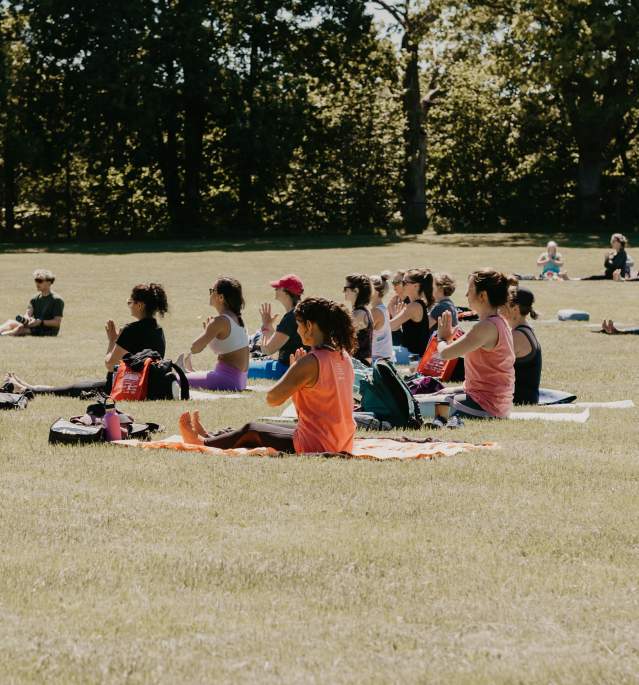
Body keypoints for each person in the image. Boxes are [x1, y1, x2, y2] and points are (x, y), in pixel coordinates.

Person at [178, 297, 356, 454]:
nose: (298, 330)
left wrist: (294, 372)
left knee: (252, 429)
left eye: (299, 325)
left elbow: (272, 399)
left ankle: (201, 443)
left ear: (309, 326)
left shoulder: (310, 362)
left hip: (319, 444)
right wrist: (299, 375)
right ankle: (212, 436)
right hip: (341, 440)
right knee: (272, 428)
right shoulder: (343, 356)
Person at [5, 283, 168, 397]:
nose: (129, 305)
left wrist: (112, 340)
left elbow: (111, 365)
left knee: (71, 389)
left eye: (130, 302)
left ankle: (25, 388)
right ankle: (27, 386)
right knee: (77, 386)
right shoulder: (158, 330)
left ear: (140, 305)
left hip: (120, 387)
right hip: (145, 387)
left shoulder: (131, 329)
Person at [436, 269, 516, 424]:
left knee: (413, 405)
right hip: (489, 401)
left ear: (483, 295)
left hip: (485, 406)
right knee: (437, 393)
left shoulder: (485, 327)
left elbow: (445, 354)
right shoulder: (498, 322)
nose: (466, 295)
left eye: (470, 290)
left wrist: (442, 337)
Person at [178, 276, 249, 391]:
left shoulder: (220, 321)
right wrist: (210, 334)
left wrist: (207, 332)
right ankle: (187, 372)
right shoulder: (236, 318)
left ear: (221, 297)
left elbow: (194, 348)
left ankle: (184, 372)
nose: (210, 294)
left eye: (212, 291)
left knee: (174, 379)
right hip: (238, 381)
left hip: (226, 381)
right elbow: (226, 348)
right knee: (186, 376)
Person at [249, 274, 305, 379]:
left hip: (286, 369)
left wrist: (265, 326)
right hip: (299, 367)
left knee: (242, 368)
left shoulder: (291, 317)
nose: (275, 289)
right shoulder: (301, 311)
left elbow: (268, 350)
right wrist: (269, 326)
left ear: (285, 291)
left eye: (277, 287)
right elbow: (281, 340)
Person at [501, 286, 542, 405]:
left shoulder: (517, 336)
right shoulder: (523, 329)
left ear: (515, 309)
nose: (499, 308)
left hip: (520, 399)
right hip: (522, 396)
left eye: (503, 304)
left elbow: (490, 367)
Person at [0, 269, 64, 337]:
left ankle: (3, 335)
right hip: (35, 326)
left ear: (49, 283)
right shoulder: (34, 299)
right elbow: (27, 314)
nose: (37, 283)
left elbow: (57, 322)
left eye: (40, 281)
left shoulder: (57, 300)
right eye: (36, 280)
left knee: (20, 329)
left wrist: (40, 322)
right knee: (10, 322)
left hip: (48, 330)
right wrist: (26, 319)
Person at [389, 268, 434, 356]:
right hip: (412, 356)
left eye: (405, 282)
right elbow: (394, 328)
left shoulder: (413, 307)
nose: (402, 285)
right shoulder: (416, 304)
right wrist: (395, 317)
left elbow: (390, 326)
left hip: (415, 359)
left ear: (416, 286)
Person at [343, 273, 373, 366]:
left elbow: (342, 334)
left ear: (356, 290)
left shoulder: (359, 314)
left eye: (345, 288)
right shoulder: (361, 311)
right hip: (359, 362)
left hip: (360, 364)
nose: (343, 292)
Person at [369, 273, 393, 361]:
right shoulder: (382, 309)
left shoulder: (375, 312)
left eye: (368, 288)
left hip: (378, 360)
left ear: (376, 292)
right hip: (384, 358)